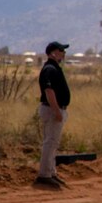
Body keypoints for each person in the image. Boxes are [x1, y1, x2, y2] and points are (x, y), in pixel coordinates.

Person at [36, 41, 70, 188]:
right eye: (61, 50)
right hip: (52, 110)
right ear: (53, 53)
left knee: (53, 143)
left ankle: (51, 172)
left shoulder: (54, 68)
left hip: (54, 109)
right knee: (50, 143)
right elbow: (49, 92)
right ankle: (44, 175)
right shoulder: (50, 69)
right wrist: (56, 111)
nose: (63, 53)